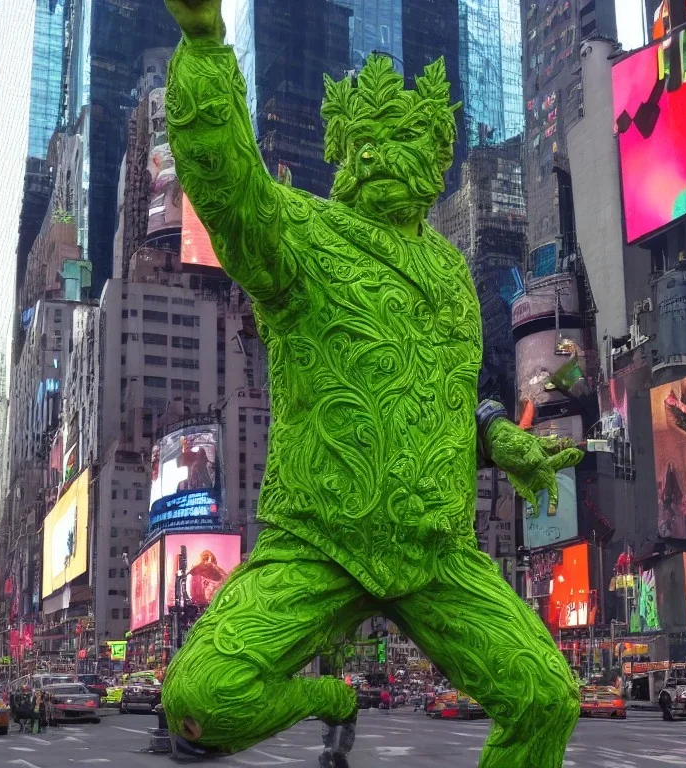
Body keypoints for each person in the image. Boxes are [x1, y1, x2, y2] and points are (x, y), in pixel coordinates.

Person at [160, 1, 583, 766]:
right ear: (343, 147)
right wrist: (204, 45)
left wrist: (501, 440)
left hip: (436, 552)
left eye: (410, 142)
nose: (389, 156)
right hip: (317, 541)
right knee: (201, 701)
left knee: (546, 698)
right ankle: (328, 696)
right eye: (373, 142)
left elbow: (446, 402)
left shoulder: (455, 278)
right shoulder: (301, 233)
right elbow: (227, 188)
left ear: (437, 158)